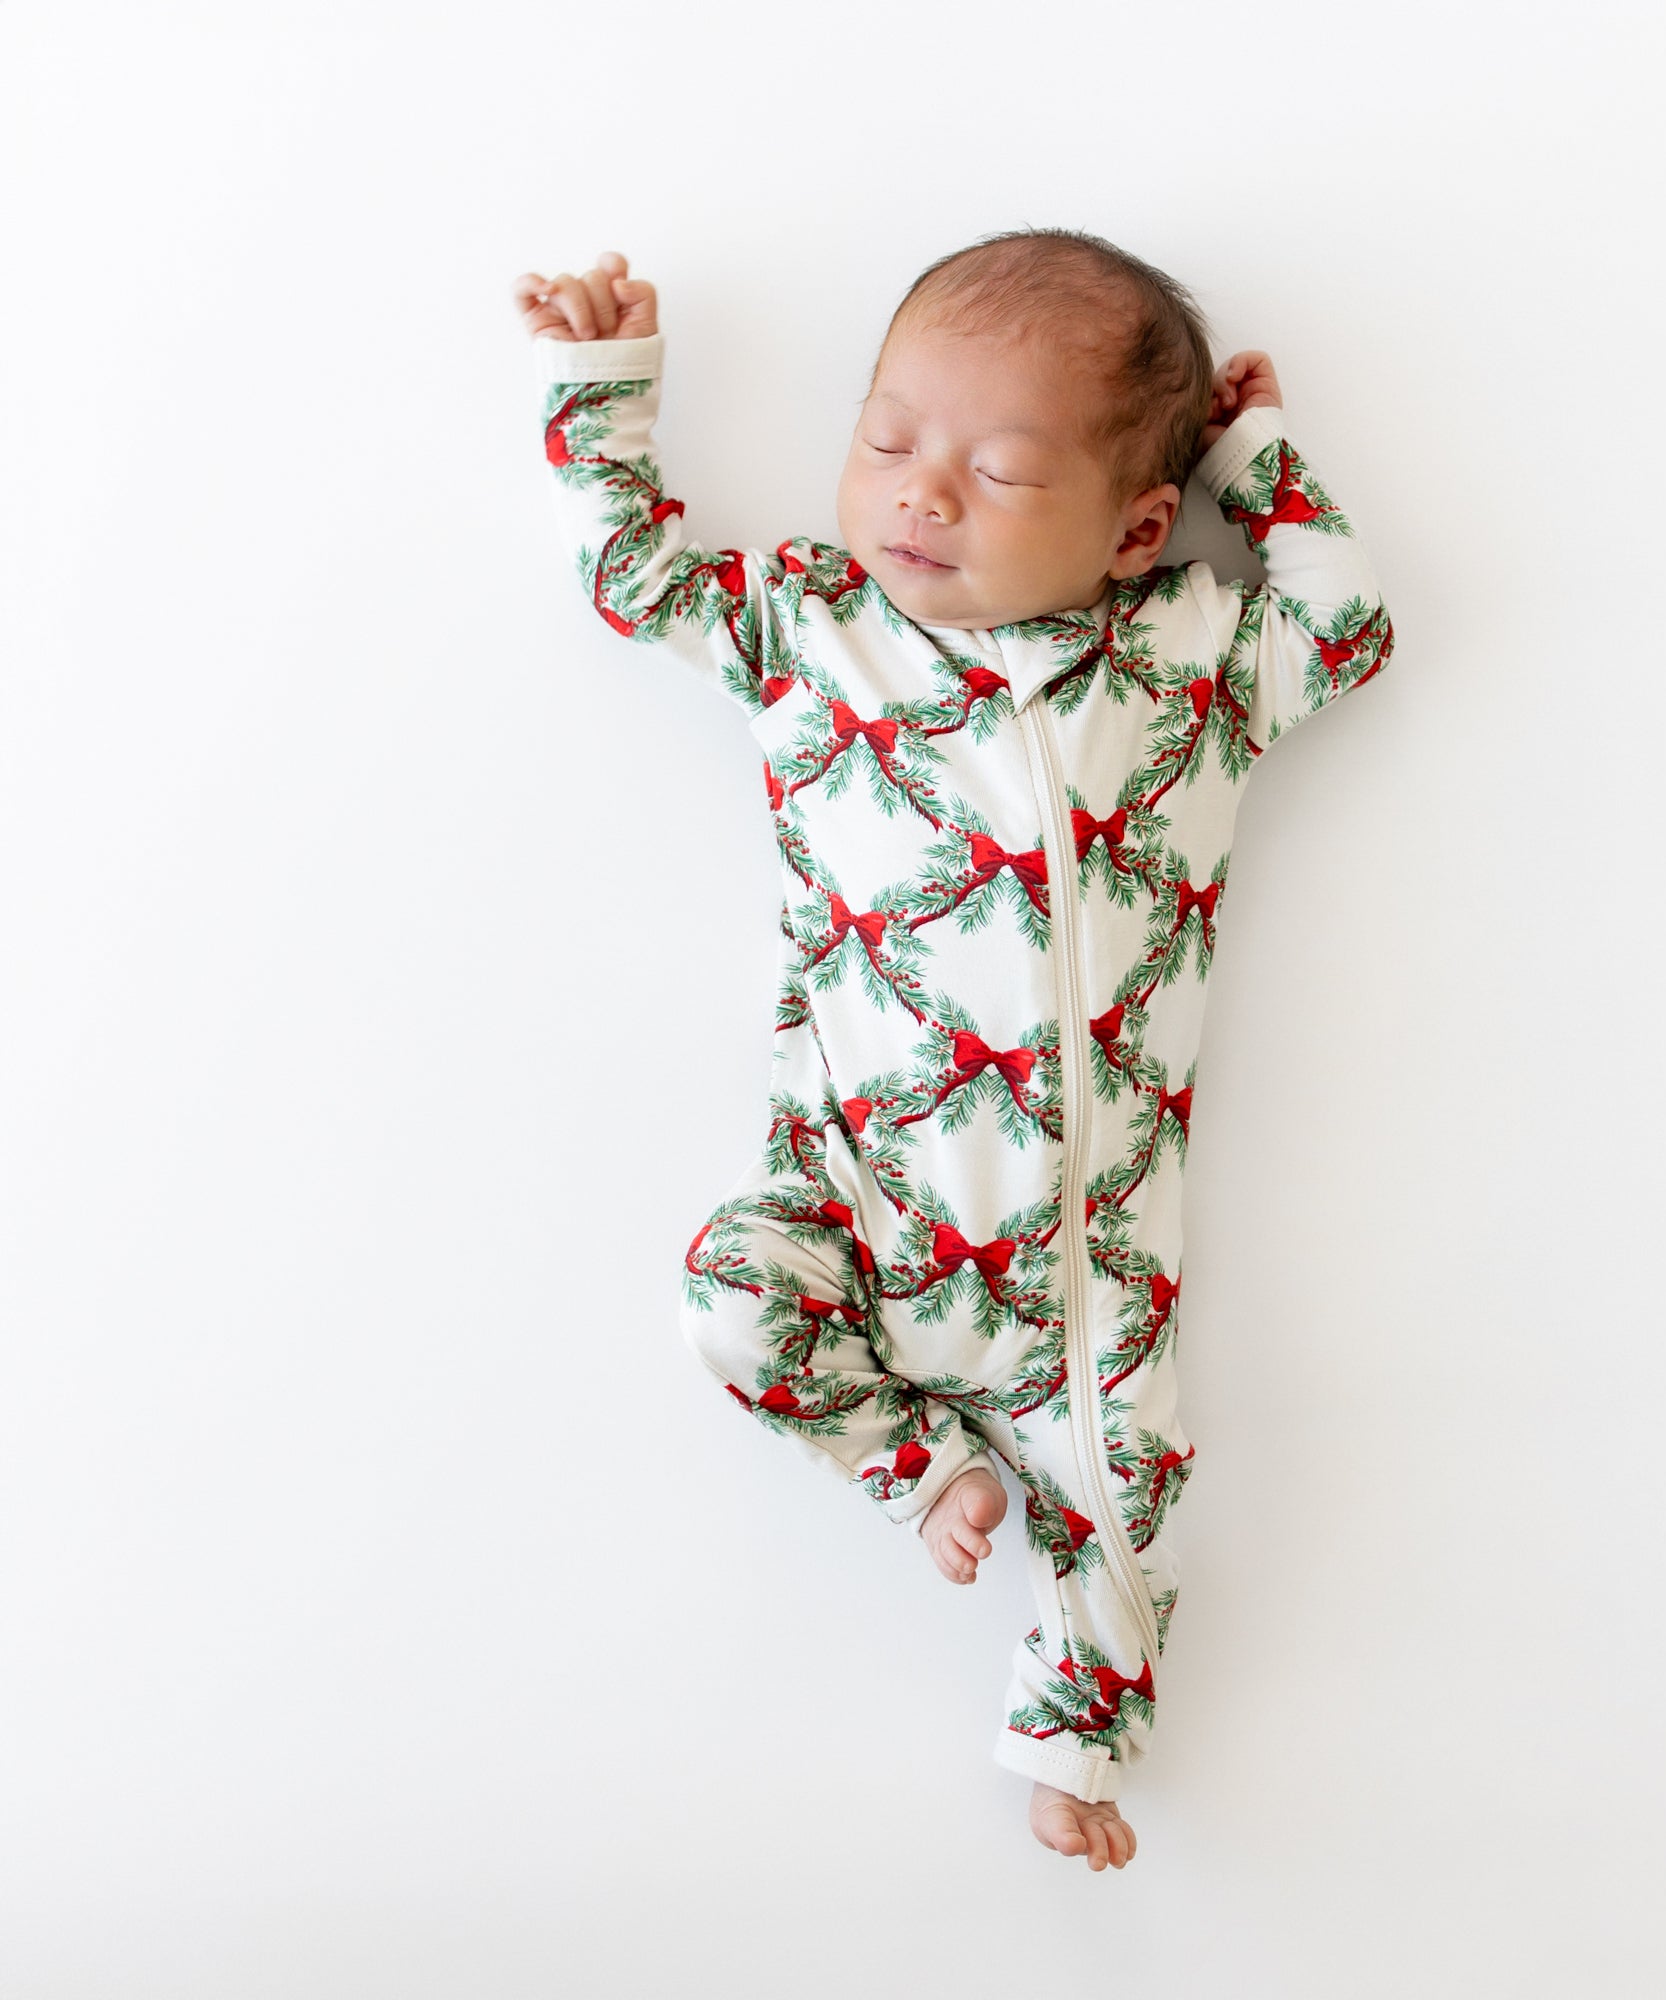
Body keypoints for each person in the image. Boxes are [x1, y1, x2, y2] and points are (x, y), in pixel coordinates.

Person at [512, 229, 1395, 1871]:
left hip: (1084, 1262)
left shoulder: (1186, 669)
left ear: (1141, 528)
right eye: (888, 439)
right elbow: (635, 578)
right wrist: (601, 389)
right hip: (857, 1199)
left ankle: (1078, 1746)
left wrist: (1251, 462)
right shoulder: (815, 633)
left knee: (1134, 1487)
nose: (921, 495)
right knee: (726, 1293)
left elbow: (1346, 625)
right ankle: (914, 1470)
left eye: (994, 471)